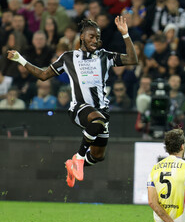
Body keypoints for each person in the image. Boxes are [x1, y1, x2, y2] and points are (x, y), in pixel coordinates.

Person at [7, 17, 138, 188]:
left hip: (101, 110)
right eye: (91, 36)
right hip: (79, 108)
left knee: (98, 155)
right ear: (82, 37)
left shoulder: (104, 56)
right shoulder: (69, 58)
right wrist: (20, 59)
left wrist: (125, 34)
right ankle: (78, 157)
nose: (95, 40)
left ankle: (73, 165)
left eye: (97, 37)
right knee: (97, 121)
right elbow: (43, 75)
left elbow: (132, 59)